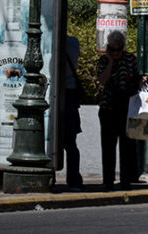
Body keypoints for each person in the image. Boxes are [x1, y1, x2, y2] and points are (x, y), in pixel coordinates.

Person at [96, 30, 141, 191]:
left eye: (119, 49)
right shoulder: (103, 60)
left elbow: (135, 78)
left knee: (127, 145)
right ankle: (108, 180)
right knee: (108, 146)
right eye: (112, 49)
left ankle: (125, 179)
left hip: (126, 107)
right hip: (108, 107)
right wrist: (110, 62)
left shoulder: (130, 59)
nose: (116, 52)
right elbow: (102, 81)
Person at [64, 35, 84, 190]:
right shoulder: (74, 42)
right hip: (70, 94)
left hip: (61, 92)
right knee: (71, 142)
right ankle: (74, 178)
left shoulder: (53, 41)